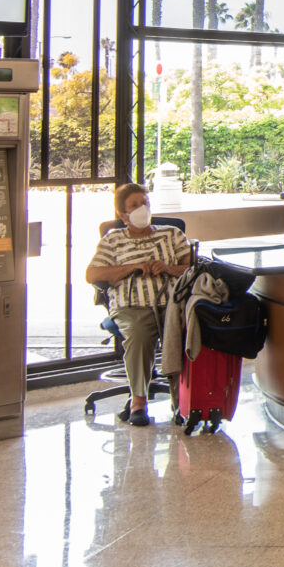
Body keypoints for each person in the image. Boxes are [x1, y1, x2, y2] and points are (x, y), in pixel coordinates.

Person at [83, 182, 193, 427]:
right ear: (123, 214)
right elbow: (92, 274)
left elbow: (192, 268)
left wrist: (168, 268)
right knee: (140, 333)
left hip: (172, 304)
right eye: (134, 205)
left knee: (189, 333)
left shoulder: (172, 234)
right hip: (131, 305)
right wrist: (132, 267)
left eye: (145, 203)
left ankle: (184, 400)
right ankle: (138, 401)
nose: (142, 208)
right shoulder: (113, 240)